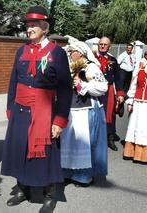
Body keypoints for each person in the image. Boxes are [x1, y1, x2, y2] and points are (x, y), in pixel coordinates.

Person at [1, 6, 72, 213]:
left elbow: (65, 89)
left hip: (45, 111)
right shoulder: (21, 50)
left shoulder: (56, 53)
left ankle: (50, 194)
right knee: (20, 150)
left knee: (46, 155)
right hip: (20, 109)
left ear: (45, 28)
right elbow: (13, 80)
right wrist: (9, 108)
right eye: (27, 25)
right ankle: (23, 189)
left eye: (34, 25)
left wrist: (60, 120)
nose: (29, 28)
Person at [61, 40, 108, 187]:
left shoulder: (91, 67)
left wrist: (83, 85)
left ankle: (83, 176)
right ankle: (67, 172)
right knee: (69, 141)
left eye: (71, 52)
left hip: (86, 109)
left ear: (80, 53)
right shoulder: (68, 67)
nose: (69, 54)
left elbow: (103, 87)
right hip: (70, 109)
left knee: (84, 143)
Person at [95, 37, 124, 151]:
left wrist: (120, 93)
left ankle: (110, 137)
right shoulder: (92, 58)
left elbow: (118, 78)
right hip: (94, 89)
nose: (102, 46)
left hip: (108, 89)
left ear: (109, 46)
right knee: (95, 113)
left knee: (110, 114)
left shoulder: (113, 59)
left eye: (105, 44)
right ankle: (95, 138)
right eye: (100, 44)